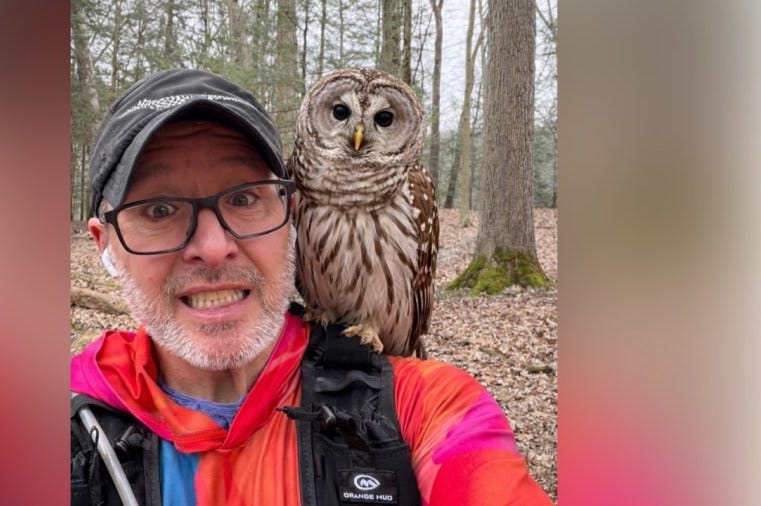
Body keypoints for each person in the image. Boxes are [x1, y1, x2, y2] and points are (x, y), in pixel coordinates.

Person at [70, 68, 552, 505]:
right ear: (104, 243)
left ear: (288, 212)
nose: (213, 247)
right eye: (159, 209)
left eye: (243, 198)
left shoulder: (422, 409)